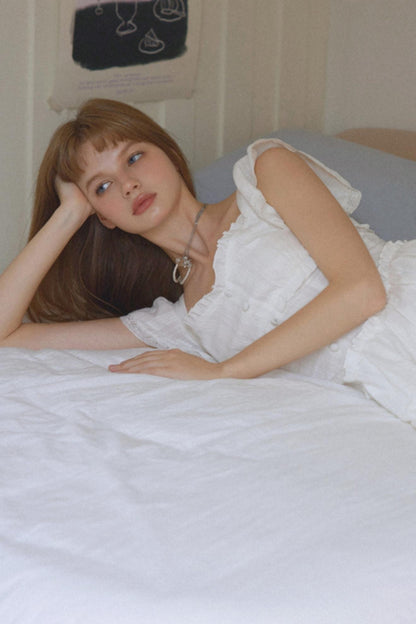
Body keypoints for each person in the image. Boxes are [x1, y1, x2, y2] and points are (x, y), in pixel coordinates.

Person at [0, 98, 415, 419]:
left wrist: (225, 371)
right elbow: (7, 334)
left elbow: (363, 292)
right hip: (391, 385)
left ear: (167, 152)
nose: (128, 185)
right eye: (103, 187)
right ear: (102, 217)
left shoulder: (265, 176)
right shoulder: (182, 323)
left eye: (134, 158)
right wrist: (69, 214)